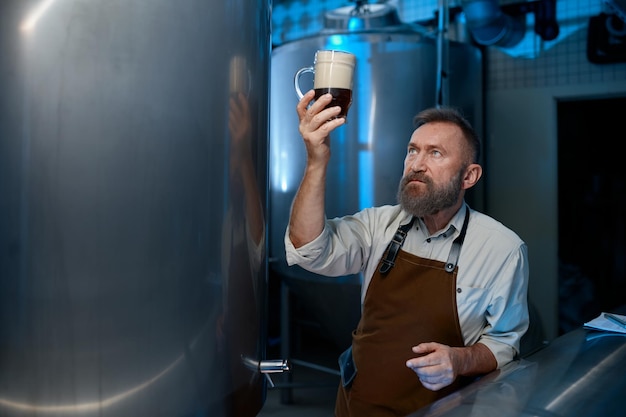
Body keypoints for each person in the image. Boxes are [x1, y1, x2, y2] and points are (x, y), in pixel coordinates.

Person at [284, 90, 530, 416]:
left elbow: (504, 342)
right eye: (412, 151)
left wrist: (461, 359)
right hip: (358, 405)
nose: (417, 164)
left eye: (436, 153)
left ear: (469, 176)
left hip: (441, 408)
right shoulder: (378, 225)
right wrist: (317, 160)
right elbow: (308, 249)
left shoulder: (502, 249)